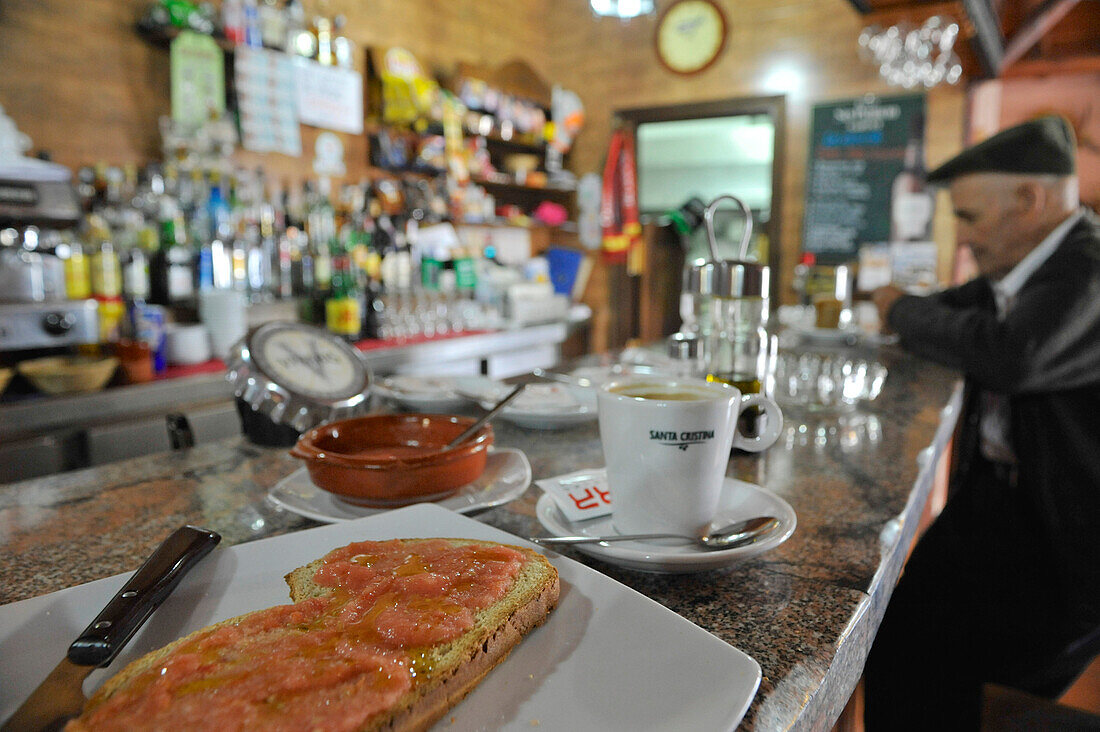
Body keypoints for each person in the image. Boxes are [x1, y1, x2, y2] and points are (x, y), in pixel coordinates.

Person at [863, 115, 1100, 730]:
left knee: (948, 684)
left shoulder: (1088, 268)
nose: (962, 241)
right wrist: (908, 311)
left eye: (969, 218)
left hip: (1071, 537)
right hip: (996, 504)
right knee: (894, 632)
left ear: (1030, 198)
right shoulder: (1019, 269)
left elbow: (1011, 355)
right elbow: (946, 314)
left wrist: (899, 307)